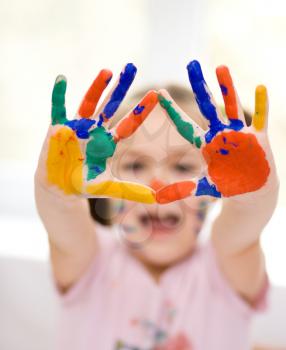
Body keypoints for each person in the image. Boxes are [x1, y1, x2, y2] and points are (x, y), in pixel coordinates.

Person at [34, 60, 279, 350]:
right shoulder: (89, 260)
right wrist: (56, 191)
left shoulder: (226, 266)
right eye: (136, 164)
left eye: (183, 166)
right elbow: (61, 214)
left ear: (217, 189)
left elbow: (245, 220)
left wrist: (252, 195)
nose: (158, 181)